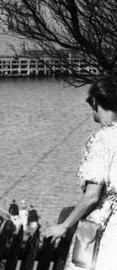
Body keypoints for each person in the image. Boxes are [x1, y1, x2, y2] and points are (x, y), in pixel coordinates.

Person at [44, 76, 117, 270]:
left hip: (104, 231)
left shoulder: (102, 140)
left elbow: (92, 196)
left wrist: (64, 226)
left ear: (95, 102)